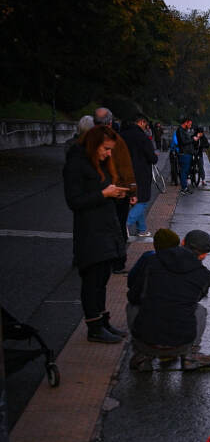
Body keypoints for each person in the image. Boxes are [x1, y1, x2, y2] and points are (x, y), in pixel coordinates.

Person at [63, 125, 130, 343]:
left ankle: (102, 321)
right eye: (106, 149)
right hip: (90, 232)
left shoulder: (98, 163)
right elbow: (74, 201)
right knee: (92, 281)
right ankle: (94, 327)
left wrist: (115, 194)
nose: (109, 154)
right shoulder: (76, 164)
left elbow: (98, 194)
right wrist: (104, 193)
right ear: (93, 145)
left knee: (102, 279)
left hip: (105, 229)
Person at [127, 229, 210, 371]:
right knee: (199, 310)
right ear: (204, 255)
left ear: (182, 243)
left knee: (132, 305)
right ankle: (189, 356)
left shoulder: (152, 261)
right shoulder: (204, 275)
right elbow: (194, 300)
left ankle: (142, 356)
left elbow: (133, 296)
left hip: (146, 342)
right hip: (181, 343)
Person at [95, 107, 136, 272]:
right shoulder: (117, 141)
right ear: (111, 123)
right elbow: (126, 168)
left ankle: (98, 259)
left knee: (98, 226)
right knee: (118, 226)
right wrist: (132, 192)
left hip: (95, 191)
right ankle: (118, 262)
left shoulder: (87, 140)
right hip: (117, 191)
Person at [120, 112, 159, 237]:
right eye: (145, 125)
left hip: (124, 172)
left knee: (136, 201)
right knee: (142, 200)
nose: (146, 127)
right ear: (141, 122)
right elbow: (152, 157)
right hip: (141, 173)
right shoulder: (142, 137)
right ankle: (124, 224)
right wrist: (154, 156)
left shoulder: (121, 135)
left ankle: (142, 229)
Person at [174, 116, 195, 194]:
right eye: (189, 124)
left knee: (186, 171)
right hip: (184, 153)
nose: (190, 126)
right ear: (186, 122)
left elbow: (186, 140)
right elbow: (183, 142)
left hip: (187, 153)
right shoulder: (180, 130)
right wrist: (192, 139)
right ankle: (184, 188)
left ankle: (185, 187)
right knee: (184, 171)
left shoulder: (184, 130)